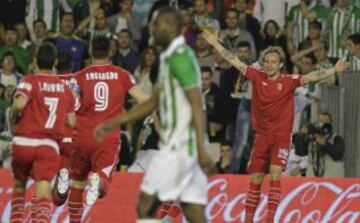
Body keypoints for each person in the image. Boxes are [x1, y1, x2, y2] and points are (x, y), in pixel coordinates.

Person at [202, 29, 350, 223]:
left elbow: (313, 76)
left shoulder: (288, 81)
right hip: (261, 137)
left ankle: (270, 220)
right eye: (267, 61)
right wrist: (215, 44)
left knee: (275, 176)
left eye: (273, 62)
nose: (269, 65)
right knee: (255, 180)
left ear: (280, 64)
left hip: (281, 137)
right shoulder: (256, 76)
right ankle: (248, 220)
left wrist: (334, 70)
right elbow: (234, 60)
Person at [94, 7, 213, 223]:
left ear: (173, 28)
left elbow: (197, 104)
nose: (153, 27)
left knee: (148, 205)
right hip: (176, 145)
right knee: (190, 211)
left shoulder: (181, 58)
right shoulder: (169, 57)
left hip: (183, 145)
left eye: (159, 24)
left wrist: (202, 149)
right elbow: (152, 102)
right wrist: (115, 122)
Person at [66, 36, 147, 223]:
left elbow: (69, 110)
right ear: (111, 52)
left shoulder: (78, 77)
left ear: (91, 52)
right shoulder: (122, 74)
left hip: (82, 135)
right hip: (107, 137)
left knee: (77, 182)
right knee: (104, 181)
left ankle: (75, 221)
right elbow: (142, 98)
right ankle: (97, 178)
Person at [9, 42, 75, 223]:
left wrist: (14, 118)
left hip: (24, 141)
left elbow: (19, 104)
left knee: (19, 186)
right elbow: (71, 121)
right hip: (48, 145)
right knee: (43, 191)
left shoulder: (29, 81)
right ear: (55, 62)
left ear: (35, 60)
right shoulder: (66, 89)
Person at [51, 50, 77, 207]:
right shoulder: (79, 81)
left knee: (47, 190)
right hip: (73, 137)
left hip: (52, 139)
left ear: (55, 64)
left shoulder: (49, 82)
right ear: (72, 65)